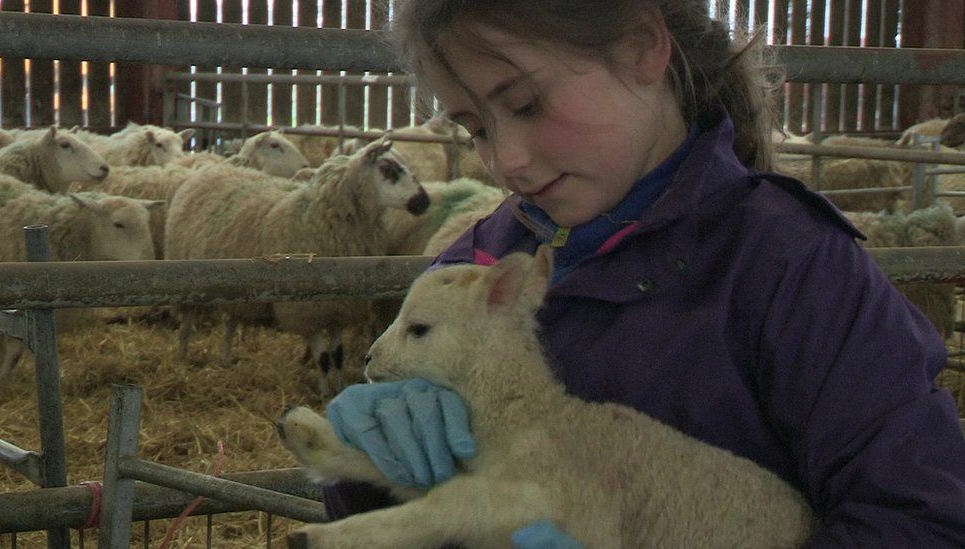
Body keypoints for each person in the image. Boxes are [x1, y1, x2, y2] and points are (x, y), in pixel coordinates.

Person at [321, 1, 965, 546]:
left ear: (641, 49)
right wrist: (367, 469)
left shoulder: (791, 269)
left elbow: (918, 517)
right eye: (475, 128)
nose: (506, 161)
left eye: (525, 103)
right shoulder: (484, 259)